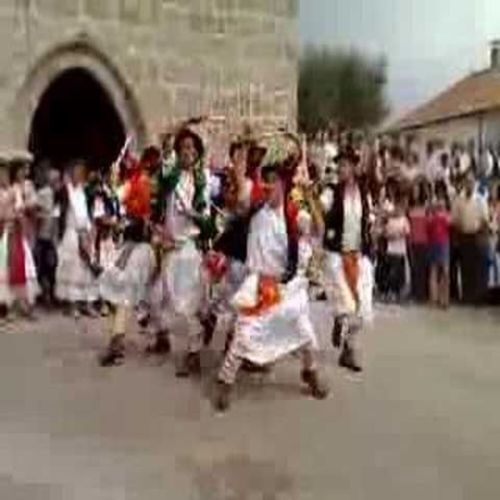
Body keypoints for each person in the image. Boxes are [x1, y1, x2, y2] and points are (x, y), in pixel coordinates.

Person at [213, 161, 329, 412]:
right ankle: (225, 381)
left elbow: (320, 229)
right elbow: (239, 199)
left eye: (274, 180)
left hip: (285, 288)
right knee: (243, 336)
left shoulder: (294, 214)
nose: (268, 185)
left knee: (306, 335)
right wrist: (241, 161)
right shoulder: (254, 212)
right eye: (265, 180)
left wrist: (309, 195)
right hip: (257, 286)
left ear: (284, 185)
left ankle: (310, 372)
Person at [152, 125, 212, 377]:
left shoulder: (202, 180)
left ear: (197, 153)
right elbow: (161, 180)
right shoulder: (170, 175)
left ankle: (194, 354)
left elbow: (207, 220)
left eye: (192, 148)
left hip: (189, 247)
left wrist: (194, 213)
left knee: (188, 303)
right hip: (170, 246)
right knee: (159, 296)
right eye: (183, 148)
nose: (188, 152)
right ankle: (162, 336)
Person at [322, 148, 374, 372]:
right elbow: (319, 209)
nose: (342, 168)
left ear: (353, 167)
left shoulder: (363, 192)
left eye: (345, 164)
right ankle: (340, 321)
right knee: (345, 304)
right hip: (336, 254)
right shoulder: (332, 192)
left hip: (357, 255)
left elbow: (368, 219)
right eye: (339, 164)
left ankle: (348, 349)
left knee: (362, 309)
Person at [56, 160, 98, 317]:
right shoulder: (65, 191)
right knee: (72, 270)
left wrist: (89, 231)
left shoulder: (83, 191)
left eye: (81, 172)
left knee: (86, 270)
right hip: (70, 233)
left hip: (84, 232)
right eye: (76, 171)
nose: (79, 174)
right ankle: (72, 304)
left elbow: (86, 212)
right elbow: (58, 211)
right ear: (71, 173)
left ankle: (88, 303)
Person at [7, 152, 39, 317]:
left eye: (25, 169)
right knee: (13, 266)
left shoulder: (28, 186)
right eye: (21, 169)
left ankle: (27, 304)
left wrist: (26, 205)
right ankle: (13, 305)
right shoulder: (11, 188)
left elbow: (34, 204)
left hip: (26, 229)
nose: (24, 172)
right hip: (13, 230)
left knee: (27, 266)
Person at [452, 171, 489, 304]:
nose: (469, 184)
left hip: (476, 236)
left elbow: (485, 220)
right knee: (465, 267)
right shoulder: (458, 200)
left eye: (471, 181)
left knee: (476, 268)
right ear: (463, 183)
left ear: (475, 183)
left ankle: (477, 297)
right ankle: (466, 296)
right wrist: (458, 230)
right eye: (467, 181)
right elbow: (454, 219)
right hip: (463, 236)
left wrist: (480, 232)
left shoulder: (480, 199)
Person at [34, 164, 61, 309]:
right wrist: (43, 216)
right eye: (56, 180)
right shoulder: (44, 193)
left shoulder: (58, 196)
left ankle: (50, 294)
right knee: (44, 267)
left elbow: (57, 217)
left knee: (52, 267)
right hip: (42, 236)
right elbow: (35, 213)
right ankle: (46, 296)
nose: (58, 183)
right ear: (50, 180)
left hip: (53, 237)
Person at [427, 182, 451, 308]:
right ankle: (434, 299)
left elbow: (450, 222)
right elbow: (428, 224)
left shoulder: (447, 205)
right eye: (438, 190)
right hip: (434, 241)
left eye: (442, 190)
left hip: (444, 241)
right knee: (434, 270)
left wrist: (443, 214)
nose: (440, 192)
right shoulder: (432, 205)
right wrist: (434, 211)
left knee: (445, 271)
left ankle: (444, 298)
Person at [385, 195, 410, 302]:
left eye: (400, 208)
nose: (398, 210)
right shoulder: (390, 220)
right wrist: (391, 235)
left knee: (400, 272)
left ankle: (400, 292)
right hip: (391, 250)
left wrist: (399, 234)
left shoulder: (404, 220)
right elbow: (386, 233)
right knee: (392, 272)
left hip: (401, 250)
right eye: (397, 208)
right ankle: (391, 292)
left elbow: (407, 232)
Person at [408, 181, 429, 302]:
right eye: (413, 190)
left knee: (422, 268)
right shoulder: (409, 207)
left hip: (424, 241)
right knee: (413, 267)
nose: (415, 192)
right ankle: (414, 292)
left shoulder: (425, 206)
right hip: (412, 241)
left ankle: (422, 294)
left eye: (417, 190)